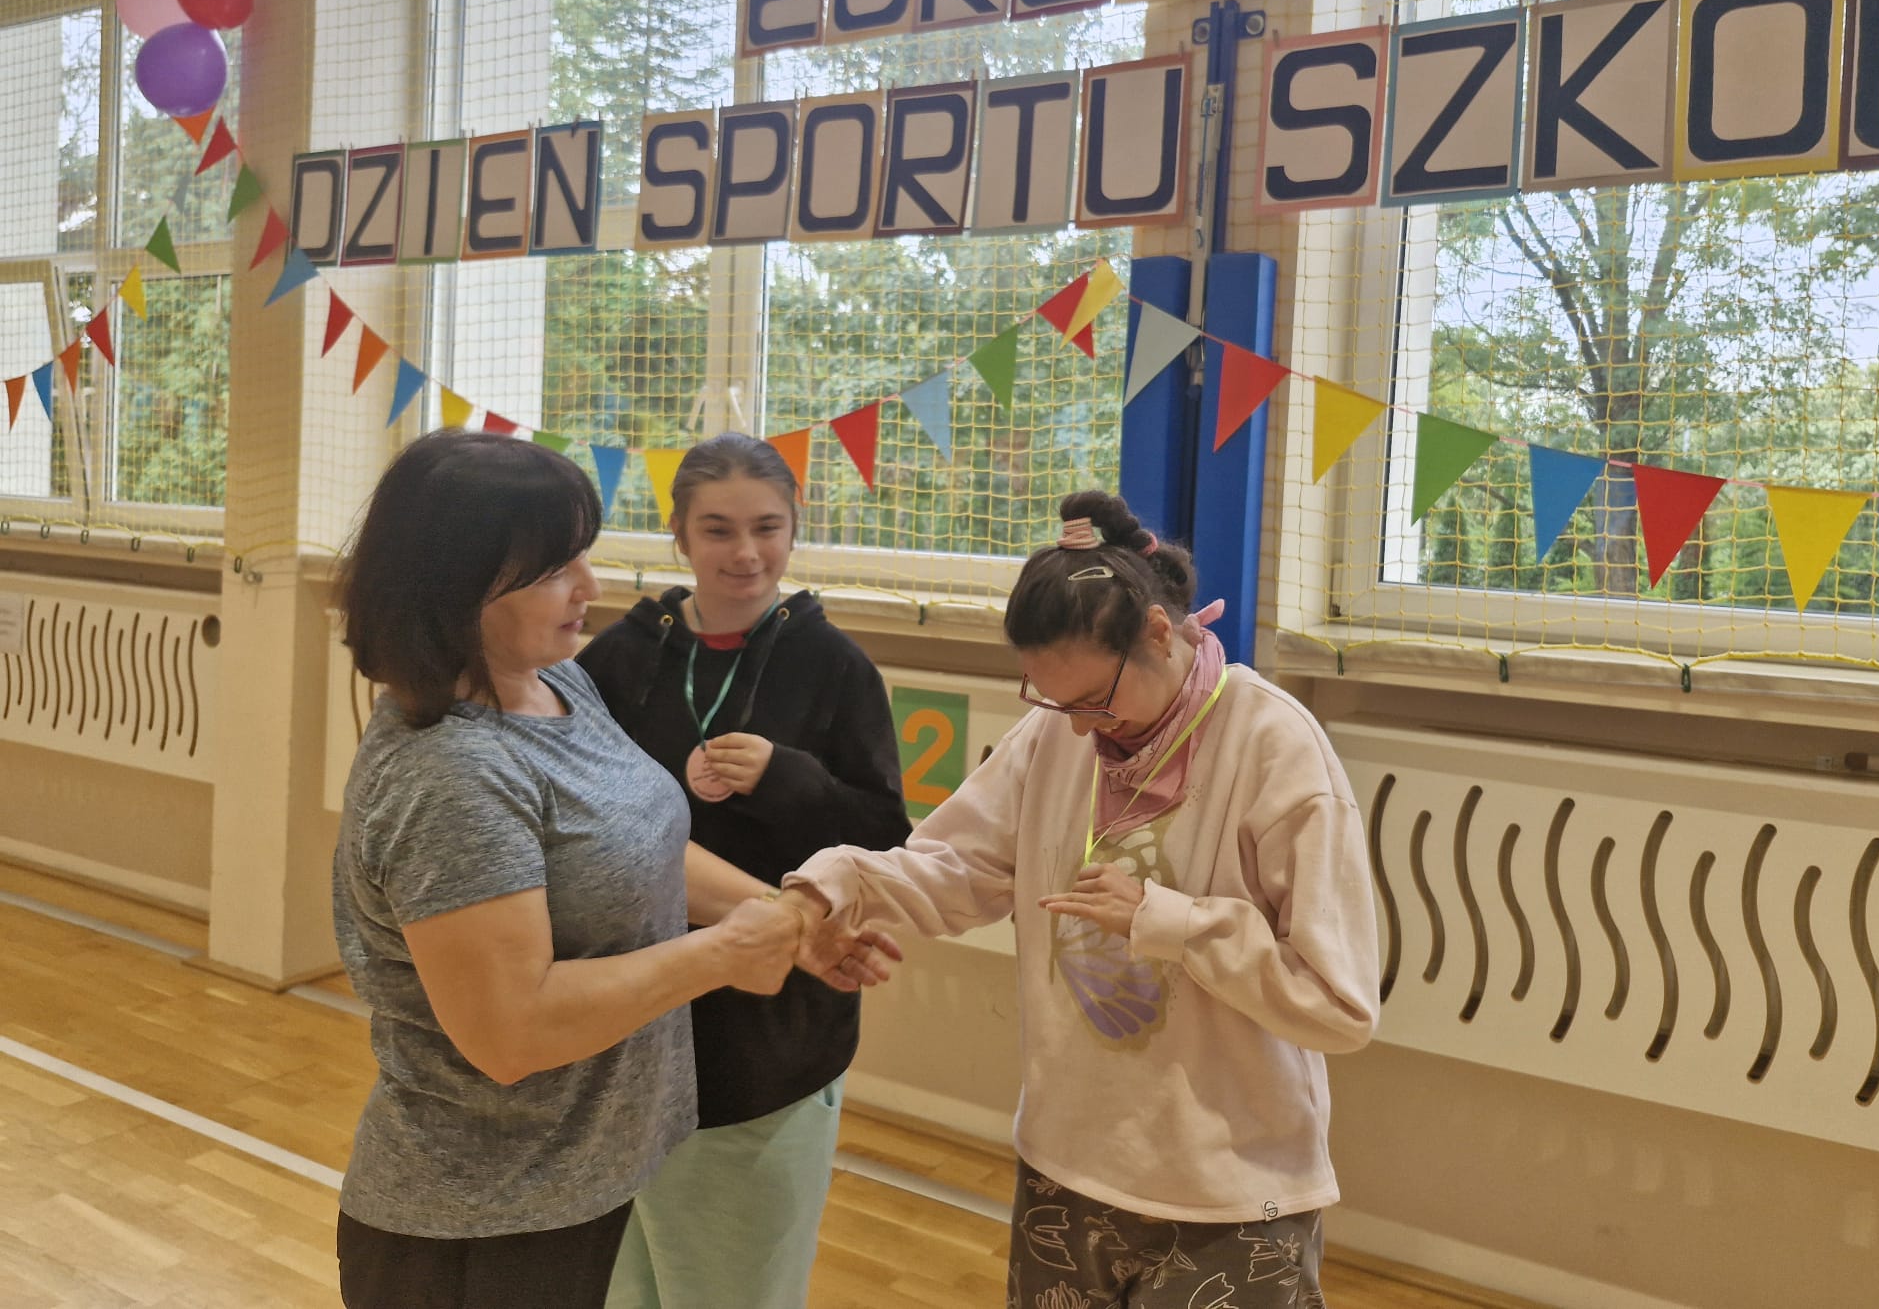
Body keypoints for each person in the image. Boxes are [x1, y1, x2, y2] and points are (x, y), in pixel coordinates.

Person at [330, 429, 895, 1309]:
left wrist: (786, 920)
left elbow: (641, 848)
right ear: (459, 586)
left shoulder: (554, 683)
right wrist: (725, 954)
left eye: (583, 557)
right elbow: (513, 1032)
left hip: (589, 1180)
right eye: (557, 570)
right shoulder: (450, 775)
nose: (590, 588)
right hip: (484, 1218)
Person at [786, 489, 1380, 1308]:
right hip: (1067, 1164)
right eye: (1051, 701)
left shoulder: (1276, 748)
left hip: (1230, 1193)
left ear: (1159, 635)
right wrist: (835, 885)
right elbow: (957, 870)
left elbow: (1338, 1005)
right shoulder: (1060, 730)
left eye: (1093, 701)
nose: (1075, 728)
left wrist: (1170, 922)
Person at [577, 431, 912, 1309]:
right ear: (680, 535)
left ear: (795, 527)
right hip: (625, 1031)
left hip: (764, 1042)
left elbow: (884, 839)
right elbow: (575, 817)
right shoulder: (616, 659)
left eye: (767, 527)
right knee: (622, 1288)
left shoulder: (835, 669)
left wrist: (790, 781)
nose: (746, 553)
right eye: (718, 529)